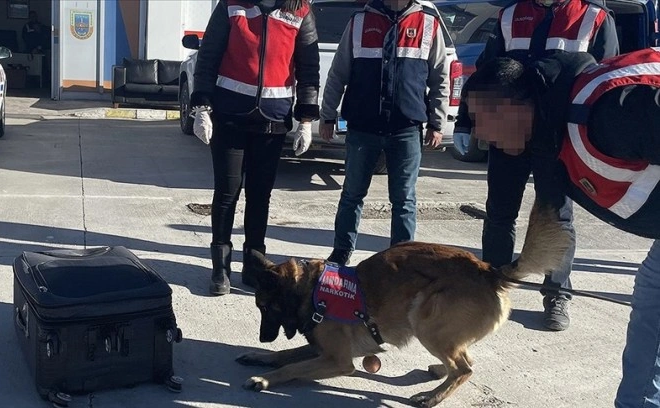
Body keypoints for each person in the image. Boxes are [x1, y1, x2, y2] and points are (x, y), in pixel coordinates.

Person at [461, 47, 660, 408]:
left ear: (512, 108)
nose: (479, 135)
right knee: (651, 308)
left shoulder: (607, 113)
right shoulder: (552, 129)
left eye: (479, 119)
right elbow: (549, 220)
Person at [453, 0, 621, 331]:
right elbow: (487, 74)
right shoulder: (510, 16)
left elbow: (608, 84)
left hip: (558, 140)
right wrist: (464, 121)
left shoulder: (594, 18)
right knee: (499, 214)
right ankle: (490, 288)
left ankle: (557, 294)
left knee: (556, 218)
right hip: (508, 134)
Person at [190, 0, 320, 295]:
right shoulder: (232, 6)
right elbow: (208, 57)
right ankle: (220, 269)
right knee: (226, 194)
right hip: (230, 118)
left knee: (260, 196)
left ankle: (253, 265)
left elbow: (309, 67)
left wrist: (306, 120)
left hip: (272, 122)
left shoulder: (299, 11)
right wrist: (201, 106)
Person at [319, 0, 450, 266]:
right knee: (352, 194)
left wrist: (438, 122)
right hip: (362, 129)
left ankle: (402, 259)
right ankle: (342, 251)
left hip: (406, 129)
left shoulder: (428, 23)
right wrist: (328, 115)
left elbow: (440, 77)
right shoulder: (359, 22)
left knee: (404, 199)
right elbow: (338, 73)